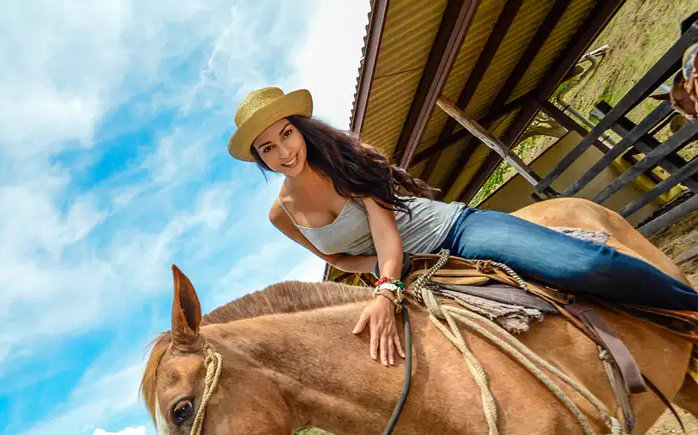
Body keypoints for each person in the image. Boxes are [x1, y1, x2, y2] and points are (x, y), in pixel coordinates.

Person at [227, 87, 698, 368]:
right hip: (405, 271)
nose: (284, 152)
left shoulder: (344, 160)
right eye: (267, 148)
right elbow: (332, 258)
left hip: (449, 234)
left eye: (286, 134)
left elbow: (386, 231)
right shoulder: (280, 215)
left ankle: (690, 310)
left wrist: (385, 287)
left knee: (577, 262)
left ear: (302, 129)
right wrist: (379, 270)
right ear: (260, 159)